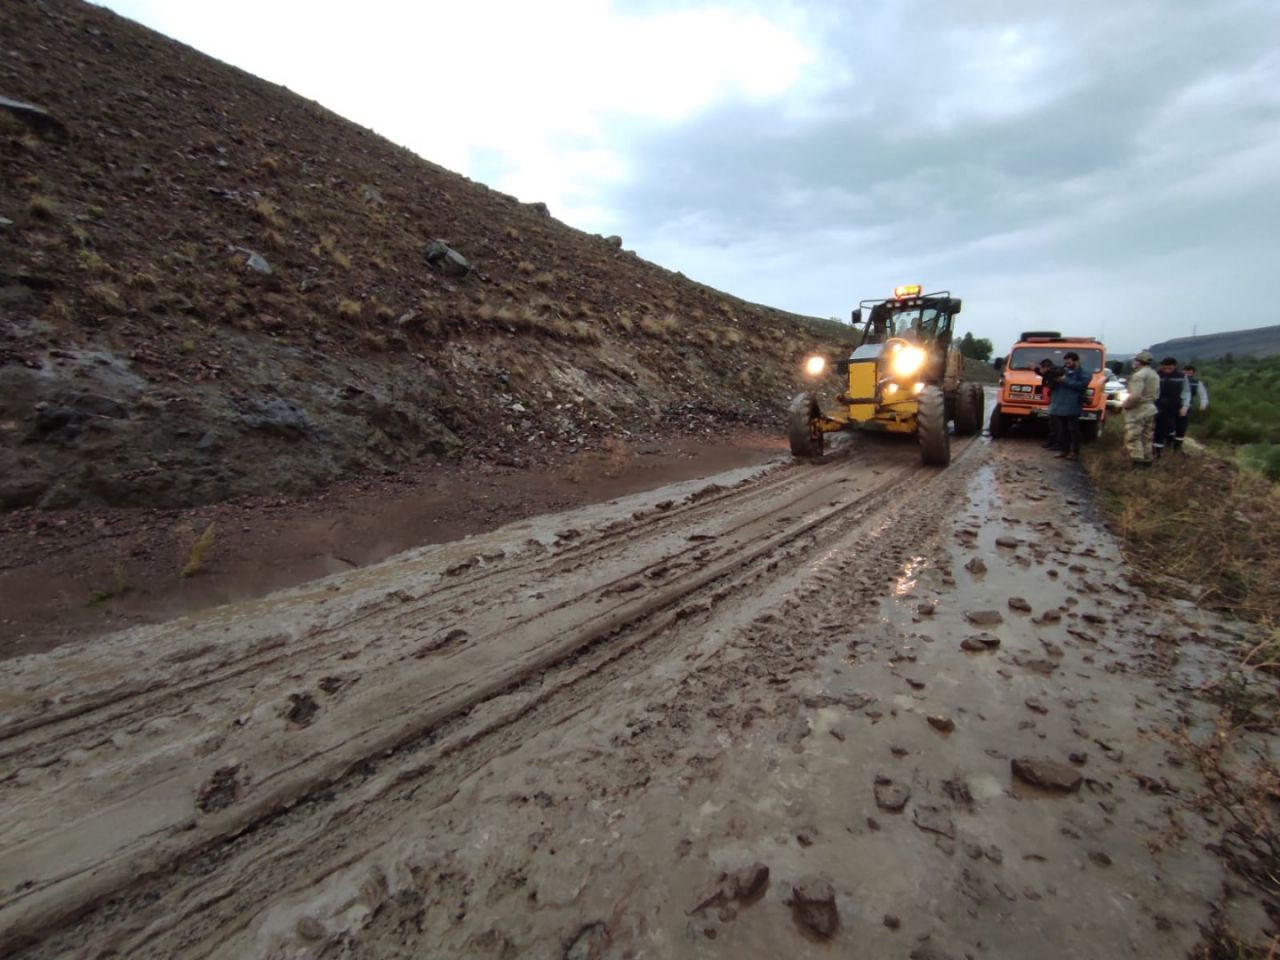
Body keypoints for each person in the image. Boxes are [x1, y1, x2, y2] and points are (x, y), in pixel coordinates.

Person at [1046, 351, 1089, 460]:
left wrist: (1065, 380)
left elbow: (1081, 386)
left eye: (1069, 363)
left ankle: (1074, 452)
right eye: (1066, 363)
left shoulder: (1084, 373)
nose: (1067, 365)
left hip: (1072, 405)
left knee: (1073, 430)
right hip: (1059, 405)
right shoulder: (1062, 371)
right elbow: (1051, 385)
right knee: (1062, 430)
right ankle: (1064, 450)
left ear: (1076, 361)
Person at [1122, 351, 1160, 468]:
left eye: (1135, 361)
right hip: (1151, 408)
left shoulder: (1138, 376)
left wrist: (1126, 405)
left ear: (1139, 362)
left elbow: (1135, 396)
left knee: (1133, 436)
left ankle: (1137, 463)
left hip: (1139, 409)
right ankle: (1148, 460)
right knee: (1147, 436)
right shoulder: (1154, 374)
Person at [1152, 357, 1191, 458]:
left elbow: (1186, 392)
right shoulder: (1156, 375)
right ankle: (1157, 452)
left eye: (1169, 368)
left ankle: (1176, 449)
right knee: (1160, 429)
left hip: (1176, 405)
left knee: (1180, 427)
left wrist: (1185, 406)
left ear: (1174, 366)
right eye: (1164, 368)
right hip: (1160, 405)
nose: (1167, 370)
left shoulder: (1181, 376)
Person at [1174, 364, 1209, 450]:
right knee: (1170, 424)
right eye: (1185, 372)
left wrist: (1203, 404)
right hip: (1173, 405)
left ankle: (1177, 446)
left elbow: (1203, 394)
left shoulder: (1197, 383)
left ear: (1193, 373)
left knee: (1182, 426)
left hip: (1187, 406)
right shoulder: (1177, 380)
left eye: (1190, 372)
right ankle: (1168, 443)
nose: (1187, 374)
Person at [1037, 358, 1059, 449]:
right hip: (1052, 403)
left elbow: (1054, 387)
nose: (1040, 370)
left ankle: (1057, 444)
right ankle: (1051, 442)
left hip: (1056, 403)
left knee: (1056, 424)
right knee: (1052, 424)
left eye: (1041, 368)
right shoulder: (1048, 374)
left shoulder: (1054, 375)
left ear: (1046, 367)